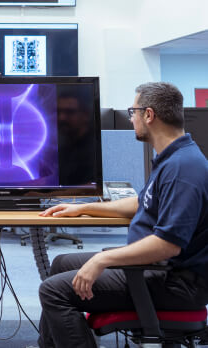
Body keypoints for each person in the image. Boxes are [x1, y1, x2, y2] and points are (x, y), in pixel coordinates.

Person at [36, 81, 208, 348]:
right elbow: (142, 203)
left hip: (172, 282)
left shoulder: (183, 170)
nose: (131, 119)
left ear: (148, 115)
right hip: (154, 269)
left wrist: (104, 259)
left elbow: (168, 245)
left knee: (53, 291)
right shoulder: (173, 157)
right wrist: (83, 208)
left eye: (133, 111)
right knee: (60, 263)